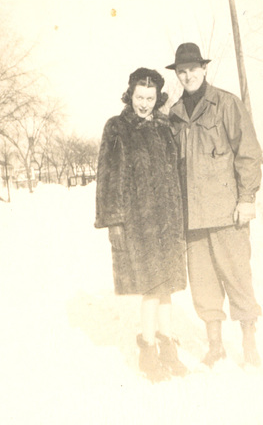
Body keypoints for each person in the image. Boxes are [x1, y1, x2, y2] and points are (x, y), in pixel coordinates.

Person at [166, 42, 262, 369]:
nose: (188, 75)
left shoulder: (226, 104)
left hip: (226, 214)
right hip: (193, 218)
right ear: (177, 75)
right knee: (204, 286)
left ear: (204, 69)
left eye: (193, 68)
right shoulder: (175, 116)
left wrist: (247, 199)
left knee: (238, 278)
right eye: (182, 70)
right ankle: (216, 346)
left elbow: (248, 153)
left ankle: (249, 345)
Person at [95, 67, 188, 383]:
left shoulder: (165, 128)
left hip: (168, 220)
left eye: (150, 98)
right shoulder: (117, 128)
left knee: (167, 290)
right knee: (151, 288)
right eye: (139, 97)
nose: (145, 104)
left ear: (157, 97)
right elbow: (108, 177)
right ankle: (148, 351)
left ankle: (168, 348)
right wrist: (114, 222)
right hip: (139, 222)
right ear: (130, 94)